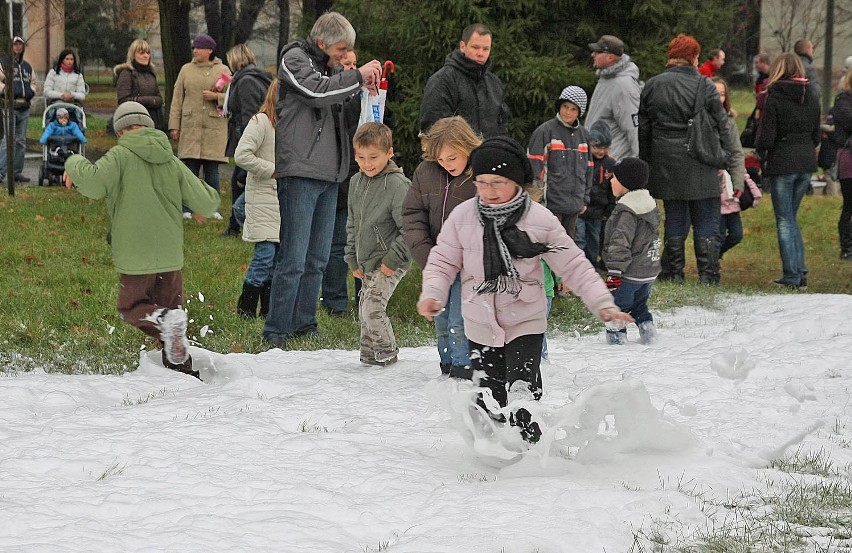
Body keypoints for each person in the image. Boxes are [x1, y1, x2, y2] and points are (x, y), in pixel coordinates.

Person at [416, 136, 633, 444]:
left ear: (517, 181)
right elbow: (441, 261)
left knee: (521, 394)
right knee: (490, 396)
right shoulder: (463, 217)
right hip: (479, 324)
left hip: (525, 320)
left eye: (498, 183)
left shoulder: (538, 219)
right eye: (482, 183)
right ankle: (494, 450)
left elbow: (573, 263)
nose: (489, 191)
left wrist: (602, 303)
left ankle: (531, 450)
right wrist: (434, 294)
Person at [62, 102, 220, 378]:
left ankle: (162, 321)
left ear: (121, 130)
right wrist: (199, 208)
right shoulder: (170, 160)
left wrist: (73, 162)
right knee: (172, 311)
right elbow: (207, 201)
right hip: (170, 255)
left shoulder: (119, 155)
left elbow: (94, 185)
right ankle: (182, 371)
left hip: (136, 255)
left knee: (131, 308)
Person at [263, 12, 383, 347]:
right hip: (300, 172)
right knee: (294, 257)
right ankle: (276, 330)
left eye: (349, 50)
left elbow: (346, 120)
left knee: (317, 258)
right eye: (341, 48)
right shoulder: (294, 59)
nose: (345, 55)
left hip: (331, 174)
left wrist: (363, 91)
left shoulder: (334, 72)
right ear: (322, 43)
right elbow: (314, 92)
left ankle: (305, 324)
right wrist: (355, 75)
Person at [638, 34, 737, 285]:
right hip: (701, 158)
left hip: (665, 160)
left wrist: (648, 163)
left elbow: (644, 130)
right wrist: (726, 157)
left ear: (671, 56)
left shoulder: (652, 85)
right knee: (706, 219)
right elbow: (722, 125)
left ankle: (673, 273)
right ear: (694, 57)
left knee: (675, 218)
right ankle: (708, 274)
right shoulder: (705, 86)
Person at [402, 116, 480, 378]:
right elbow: (413, 217)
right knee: (442, 320)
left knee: (461, 319)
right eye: (441, 159)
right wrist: (427, 257)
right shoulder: (425, 173)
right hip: (438, 263)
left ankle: (463, 367)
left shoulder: (480, 176)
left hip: (469, 265)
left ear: (468, 148)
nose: (447, 165)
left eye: (453, 158)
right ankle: (447, 364)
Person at [344, 123, 411, 366]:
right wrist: (351, 257)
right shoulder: (356, 182)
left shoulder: (398, 185)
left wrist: (391, 261)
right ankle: (370, 357)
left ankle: (387, 354)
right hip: (366, 260)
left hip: (391, 260)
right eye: (361, 157)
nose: (367, 163)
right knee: (364, 309)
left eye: (373, 157)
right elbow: (352, 222)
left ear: (389, 153)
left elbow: (410, 230)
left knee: (372, 306)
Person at [755, 52, 821, 289]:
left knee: (784, 220)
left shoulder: (775, 96)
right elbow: (816, 134)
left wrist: (761, 149)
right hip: (805, 162)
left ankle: (792, 275)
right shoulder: (812, 94)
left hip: (783, 161)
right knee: (791, 218)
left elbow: (767, 136)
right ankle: (800, 270)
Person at [168, 33, 230, 217]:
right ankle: (186, 208)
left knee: (212, 172)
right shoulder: (186, 69)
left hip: (214, 129)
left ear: (210, 50)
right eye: (194, 47)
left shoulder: (223, 70)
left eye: (199, 48)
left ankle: (212, 209)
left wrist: (216, 97)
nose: (195, 51)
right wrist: (174, 125)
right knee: (190, 170)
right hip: (191, 126)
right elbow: (177, 98)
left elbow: (232, 98)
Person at [601, 157, 661, 345]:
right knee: (639, 306)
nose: (611, 180)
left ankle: (616, 344)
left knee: (617, 308)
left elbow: (620, 242)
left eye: (615, 178)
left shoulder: (627, 211)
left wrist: (614, 274)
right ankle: (650, 336)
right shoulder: (649, 204)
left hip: (628, 272)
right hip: (648, 269)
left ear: (626, 183)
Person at [234, 81, 280, 318]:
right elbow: (241, 155)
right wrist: (271, 170)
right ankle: (246, 308)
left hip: (282, 200)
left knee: (275, 260)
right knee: (264, 256)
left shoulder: (291, 125)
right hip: (263, 196)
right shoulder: (261, 121)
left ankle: (268, 310)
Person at [322, 49, 362, 316]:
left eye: (355, 65)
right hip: (338, 180)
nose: (351, 69)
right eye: (346, 64)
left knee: (364, 245)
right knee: (338, 245)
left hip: (362, 178)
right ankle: (335, 301)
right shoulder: (331, 96)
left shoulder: (365, 95)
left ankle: (366, 299)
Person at [419, 23, 509, 138]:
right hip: (454, 153)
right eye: (475, 47)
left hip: (489, 154)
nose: (481, 53)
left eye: (486, 49)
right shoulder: (442, 80)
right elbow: (434, 127)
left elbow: (502, 126)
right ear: (462, 46)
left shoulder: (495, 84)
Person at [527, 85, 593, 239]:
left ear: (579, 112)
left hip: (575, 204)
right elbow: (534, 168)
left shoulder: (584, 136)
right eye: (565, 106)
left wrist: (585, 199)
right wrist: (536, 200)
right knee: (550, 244)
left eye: (573, 109)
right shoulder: (545, 131)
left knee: (569, 244)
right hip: (550, 204)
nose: (568, 112)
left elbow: (588, 169)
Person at [221, 43, 273, 237]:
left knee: (240, 181)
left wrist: (246, 144)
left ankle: (237, 224)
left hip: (248, 136)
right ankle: (236, 225)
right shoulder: (249, 78)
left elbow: (249, 114)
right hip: (248, 133)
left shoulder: (246, 82)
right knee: (240, 181)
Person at [712, 77, 761, 259]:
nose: (719, 98)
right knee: (717, 232)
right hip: (714, 186)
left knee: (736, 234)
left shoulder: (730, 121)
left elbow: (736, 154)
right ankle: (711, 266)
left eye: (723, 94)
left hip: (730, 187)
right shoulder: (703, 122)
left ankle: (716, 256)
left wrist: (739, 184)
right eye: (715, 94)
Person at [585, 35, 642, 159]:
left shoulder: (623, 86)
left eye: (598, 52)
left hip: (612, 165)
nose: (593, 55)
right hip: (598, 162)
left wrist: (637, 166)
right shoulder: (606, 80)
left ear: (610, 57)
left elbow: (634, 130)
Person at [577, 120, 617, 268]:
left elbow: (612, 191)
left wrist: (609, 210)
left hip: (599, 212)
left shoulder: (611, 164)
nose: (601, 151)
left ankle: (591, 264)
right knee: (579, 238)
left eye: (605, 147)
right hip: (581, 209)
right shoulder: (581, 160)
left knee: (594, 239)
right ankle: (578, 266)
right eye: (597, 147)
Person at [0, 36, 37, 184]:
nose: (17, 47)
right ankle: (1, 171)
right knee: (8, 140)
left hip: (24, 107)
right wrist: (6, 90)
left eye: (20, 45)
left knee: (21, 141)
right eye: (15, 44)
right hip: (10, 106)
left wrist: (31, 92)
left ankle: (16, 172)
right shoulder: (4, 63)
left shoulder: (27, 66)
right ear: (10, 46)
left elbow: (33, 82)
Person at [114, 39, 165, 132]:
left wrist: (151, 101)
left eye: (148, 53)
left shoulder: (151, 73)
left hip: (154, 122)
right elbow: (123, 100)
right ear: (133, 55)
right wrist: (149, 100)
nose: (146, 56)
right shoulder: (126, 74)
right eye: (142, 53)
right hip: (135, 124)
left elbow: (159, 98)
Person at [834, 70, 852, 260]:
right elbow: (848, 122)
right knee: (849, 205)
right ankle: (847, 247)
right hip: (849, 157)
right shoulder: (843, 101)